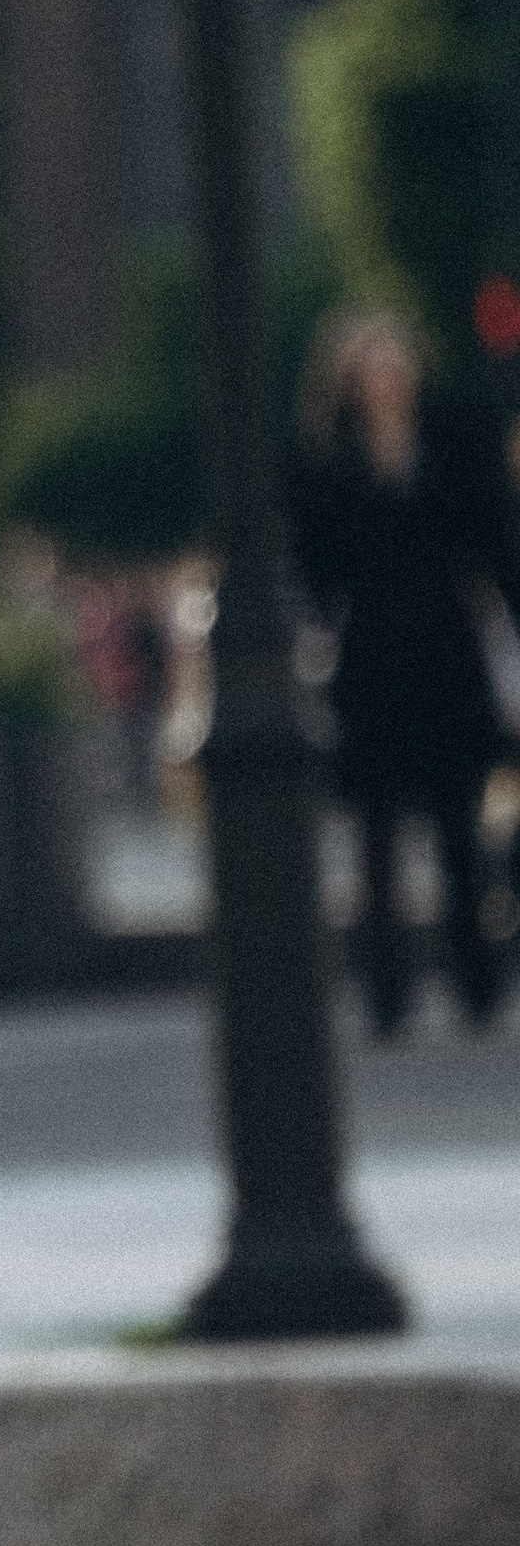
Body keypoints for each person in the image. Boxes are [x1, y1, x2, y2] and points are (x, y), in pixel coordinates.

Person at [293, 309, 520, 1034]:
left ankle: (477, 987)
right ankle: (387, 996)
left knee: (460, 833)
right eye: (370, 362)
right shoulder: (328, 456)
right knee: (377, 843)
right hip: (373, 663)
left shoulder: (453, 440)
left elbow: (496, 544)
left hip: (447, 656)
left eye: (393, 358)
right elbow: (315, 568)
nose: (385, 374)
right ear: (349, 379)